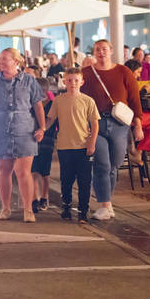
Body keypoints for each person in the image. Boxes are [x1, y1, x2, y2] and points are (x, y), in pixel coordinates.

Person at [0, 47, 46, 222]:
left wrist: (42, 127)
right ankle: (5, 207)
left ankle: (28, 209)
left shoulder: (29, 81)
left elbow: (38, 106)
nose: (1, 62)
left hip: (25, 130)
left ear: (16, 61)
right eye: (0, 60)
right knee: (3, 170)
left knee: (24, 171)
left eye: (5, 59)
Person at [80, 39, 142, 221]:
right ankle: (104, 204)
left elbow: (134, 99)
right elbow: (78, 97)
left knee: (114, 165)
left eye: (104, 49)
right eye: (97, 50)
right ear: (94, 52)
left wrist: (138, 124)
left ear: (111, 51)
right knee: (102, 164)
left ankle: (106, 200)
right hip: (96, 123)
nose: (101, 53)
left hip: (119, 124)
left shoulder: (123, 72)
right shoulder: (87, 73)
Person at [49, 67, 99, 223]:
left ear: (82, 82)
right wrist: (42, 129)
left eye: (76, 80)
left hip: (83, 146)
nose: (72, 83)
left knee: (84, 181)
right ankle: (66, 207)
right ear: (64, 81)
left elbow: (94, 124)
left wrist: (91, 143)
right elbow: (51, 119)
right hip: (65, 146)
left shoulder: (88, 100)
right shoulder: (58, 100)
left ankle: (83, 211)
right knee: (66, 179)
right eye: (69, 80)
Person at [30, 77, 57, 213]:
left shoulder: (53, 103)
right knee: (33, 171)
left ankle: (44, 197)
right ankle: (35, 198)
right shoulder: (31, 104)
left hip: (47, 140)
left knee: (45, 172)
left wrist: (42, 129)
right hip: (32, 139)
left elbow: (52, 121)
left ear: (46, 90)